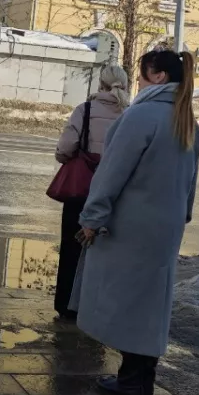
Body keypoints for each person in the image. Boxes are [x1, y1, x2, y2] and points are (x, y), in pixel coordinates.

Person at [75, 50, 199, 395]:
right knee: (150, 305)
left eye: (143, 76)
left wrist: (91, 218)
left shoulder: (141, 116)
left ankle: (131, 379)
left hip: (130, 226)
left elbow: (111, 174)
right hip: (166, 227)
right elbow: (190, 181)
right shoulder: (187, 120)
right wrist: (182, 216)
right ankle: (140, 378)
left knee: (123, 301)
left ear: (158, 77)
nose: (140, 83)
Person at [53, 65, 129, 320]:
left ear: (101, 85)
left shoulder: (84, 111)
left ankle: (66, 305)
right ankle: (94, 305)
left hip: (81, 189)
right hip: (114, 192)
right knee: (104, 249)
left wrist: (67, 157)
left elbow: (65, 147)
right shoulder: (130, 115)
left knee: (71, 245)